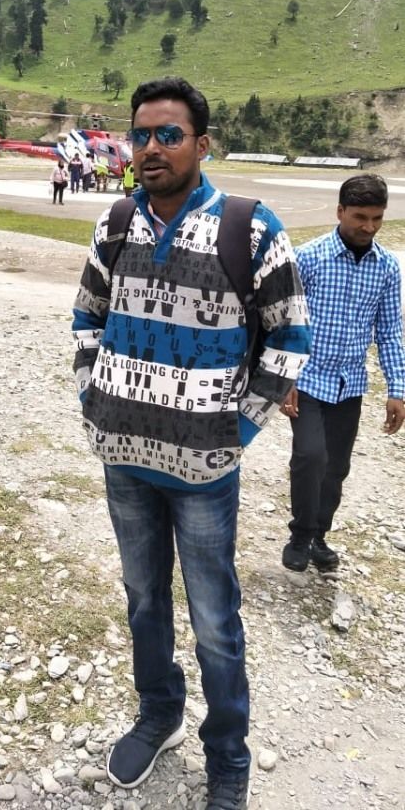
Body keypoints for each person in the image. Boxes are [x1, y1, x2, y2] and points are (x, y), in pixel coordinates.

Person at [72, 76, 310, 809]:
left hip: (204, 470)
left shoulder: (251, 228)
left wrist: (237, 430)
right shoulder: (116, 222)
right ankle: (159, 715)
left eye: (168, 135)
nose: (151, 148)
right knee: (144, 599)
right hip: (124, 462)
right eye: (140, 135)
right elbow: (86, 319)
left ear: (201, 144)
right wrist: (93, 400)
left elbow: (290, 337)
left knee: (213, 619)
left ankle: (227, 756)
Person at [280, 173, 405, 573]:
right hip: (308, 379)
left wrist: (397, 389)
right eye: (360, 217)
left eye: (377, 218)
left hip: (350, 384)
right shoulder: (308, 257)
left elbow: (390, 330)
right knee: (310, 456)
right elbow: (285, 320)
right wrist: (285, 378)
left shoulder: (387, 268)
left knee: (336, 468)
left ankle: (319, 535)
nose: (369, 227)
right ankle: (300, 534)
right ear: (340, 212)